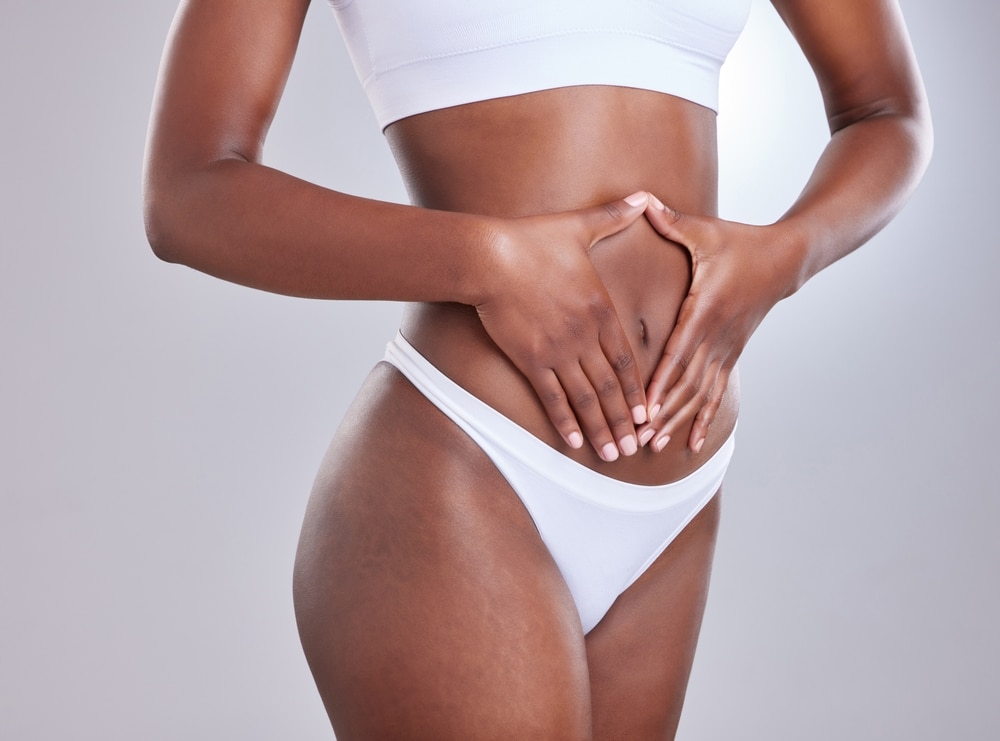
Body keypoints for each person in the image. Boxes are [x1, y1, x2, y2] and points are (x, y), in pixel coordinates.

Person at [143, 0, 931, 737]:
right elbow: (189, 194)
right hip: (464, 464)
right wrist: (486, 261)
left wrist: (784, 255)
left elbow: (886, 111)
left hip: (677, 497)